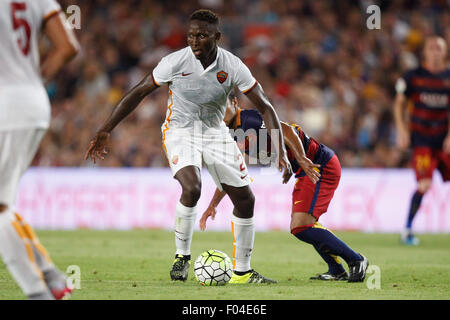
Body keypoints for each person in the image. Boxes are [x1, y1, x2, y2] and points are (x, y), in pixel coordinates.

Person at [85, 9, 292, 284]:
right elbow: (138, 91)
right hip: (180, 131)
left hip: (215, 132)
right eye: (191, 35)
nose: (194, 41)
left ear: (217, 37)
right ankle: (182, 256)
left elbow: (265, 106)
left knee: (246, 200)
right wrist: (105, 129)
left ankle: (242, 272)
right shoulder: (174, 61)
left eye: (202, 36)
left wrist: (279, 150)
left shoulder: (233, 65)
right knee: (192, 187)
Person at [200, 97, 369, 282]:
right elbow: (231, 173)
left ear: (234, 102)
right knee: (304, 225)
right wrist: (213, 204)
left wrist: (301, 158)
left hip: (318, 165)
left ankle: (356, 260)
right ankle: (337, 269)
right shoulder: (229, 134)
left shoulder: (248, 119)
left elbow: (286, 130)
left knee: (301, 226)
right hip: (302, 170)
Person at [0, 0, 79, 299]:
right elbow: (68, 46)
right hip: (32, 102)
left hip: (5, 107)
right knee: (3, 203)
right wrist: (32, 82)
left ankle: (39, 292)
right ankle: (53, 279)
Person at [394, 36, 450, 246]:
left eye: (439, 48)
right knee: (424, 184)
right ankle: (407, 230)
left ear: (444, 52)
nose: (435, 51)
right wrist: (401, 130)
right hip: (423, 141)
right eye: (432, 47)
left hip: (444, 141)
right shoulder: (413, 77)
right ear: (425, 52)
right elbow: (399, 103)